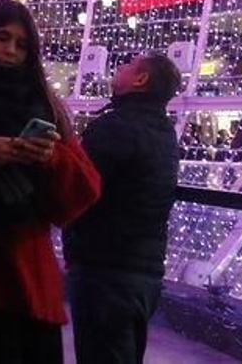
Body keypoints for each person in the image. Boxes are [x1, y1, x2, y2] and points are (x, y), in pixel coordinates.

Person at [0, 0, 101, 363]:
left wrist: (50, 156)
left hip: (29, 273)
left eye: (21, 45)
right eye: (2, 37)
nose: (10, 50)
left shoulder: (44, 103)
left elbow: (85, 189)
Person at [62, 51, 183, 364]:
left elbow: (76, 186)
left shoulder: (116, 127)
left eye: (129, 64)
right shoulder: (163, 131)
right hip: (142, 272)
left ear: (141, 80)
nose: (120, 66)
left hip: (104, 270)